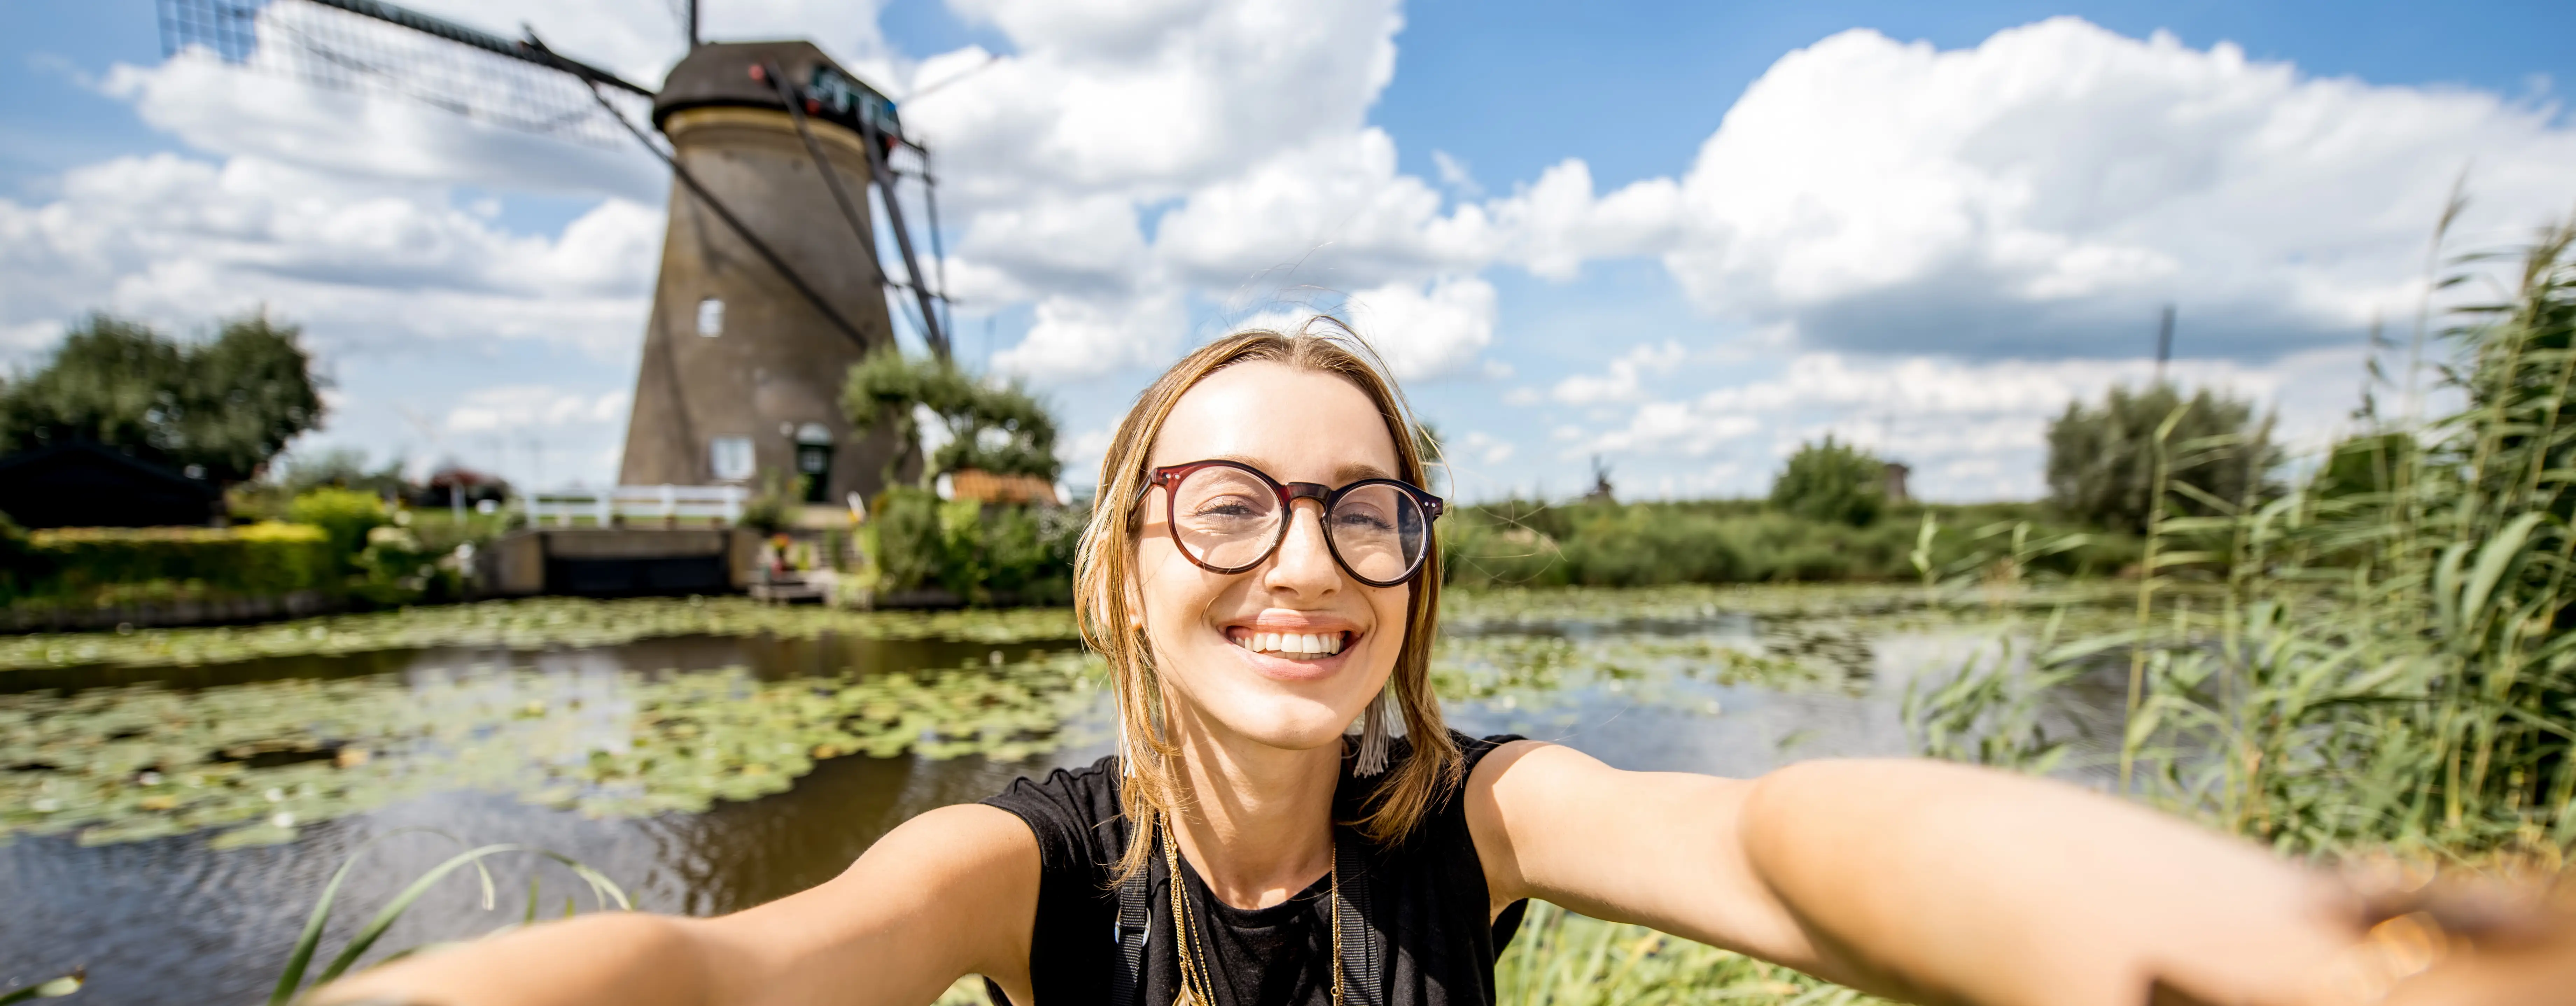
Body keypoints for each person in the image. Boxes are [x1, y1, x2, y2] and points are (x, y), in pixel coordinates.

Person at [324, 323, 2573, 1006]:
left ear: (1414, 562)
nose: (1305, 557)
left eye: (1364, 504)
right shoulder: (1021, 865)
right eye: (1228, 500)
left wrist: (2315, 950)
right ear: (1124, 565)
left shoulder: (1479, 818)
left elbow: (1789, 841)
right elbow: (723, 970)